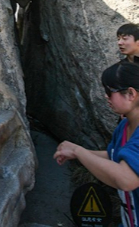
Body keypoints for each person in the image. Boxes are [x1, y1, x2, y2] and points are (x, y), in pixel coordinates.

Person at [55, 62, 139, 226]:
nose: (106, 97)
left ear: (131, 93)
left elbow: (127, 179)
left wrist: (79, 151)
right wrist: (75, 152)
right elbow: (113, 155)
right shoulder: (124, 126)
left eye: (109, 92)